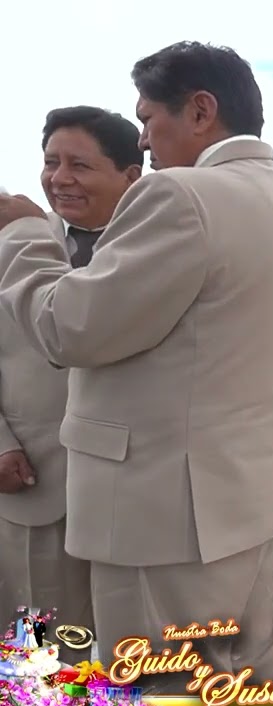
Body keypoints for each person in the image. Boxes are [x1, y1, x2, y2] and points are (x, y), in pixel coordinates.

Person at [0, 42, 273, 690]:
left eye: (148, 122)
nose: (147, 142)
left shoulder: (180, 198)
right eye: (51, 162)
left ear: (201, 111)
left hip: (165, 525)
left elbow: (68, 328)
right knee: (244, 687)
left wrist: (23, 238)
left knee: (164, 692)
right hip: (242, 506)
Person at [0, 107, 141, 663]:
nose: (59, 178)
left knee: (136, 650)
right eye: (50, 162)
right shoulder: (11, 247)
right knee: (43, 649)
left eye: (79, 164)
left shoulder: (159, 250)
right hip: (34, 482)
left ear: (131, 175)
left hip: (134, 493)